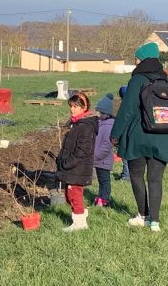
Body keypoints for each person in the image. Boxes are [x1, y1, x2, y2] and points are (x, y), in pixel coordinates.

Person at [110, 42, 168, 232]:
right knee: (156, 180)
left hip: (138, 137)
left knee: (137, 176)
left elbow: (127, 110)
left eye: (137, 58)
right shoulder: (167, 81)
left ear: (143, 59)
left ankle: (143, 215)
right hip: (163, 137)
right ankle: (155, 222)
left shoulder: (137, 80)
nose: (136, 61)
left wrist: (115, 134)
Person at [56, 92, 97, 231]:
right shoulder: (76, 124)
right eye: (71, 106)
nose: (72, 109)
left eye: (76, 106)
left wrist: (68, 163)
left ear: (84, 107)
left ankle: (79, 223)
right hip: (74, 166)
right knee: (70, 195)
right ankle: (80, 216)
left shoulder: (85, 126)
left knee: (74, 194)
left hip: (78, 167)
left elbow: (82, 151)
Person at [93, 94, 115, 207]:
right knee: (101, 181)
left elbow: (107, 144)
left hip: (103, 160)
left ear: (105, 113)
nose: (97, 114)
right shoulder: (100, 123)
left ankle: (105, 199)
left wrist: (96, 156)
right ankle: (101, 197)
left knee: (105, 181)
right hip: (98, 159)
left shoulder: (109, 125)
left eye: (99, 112)